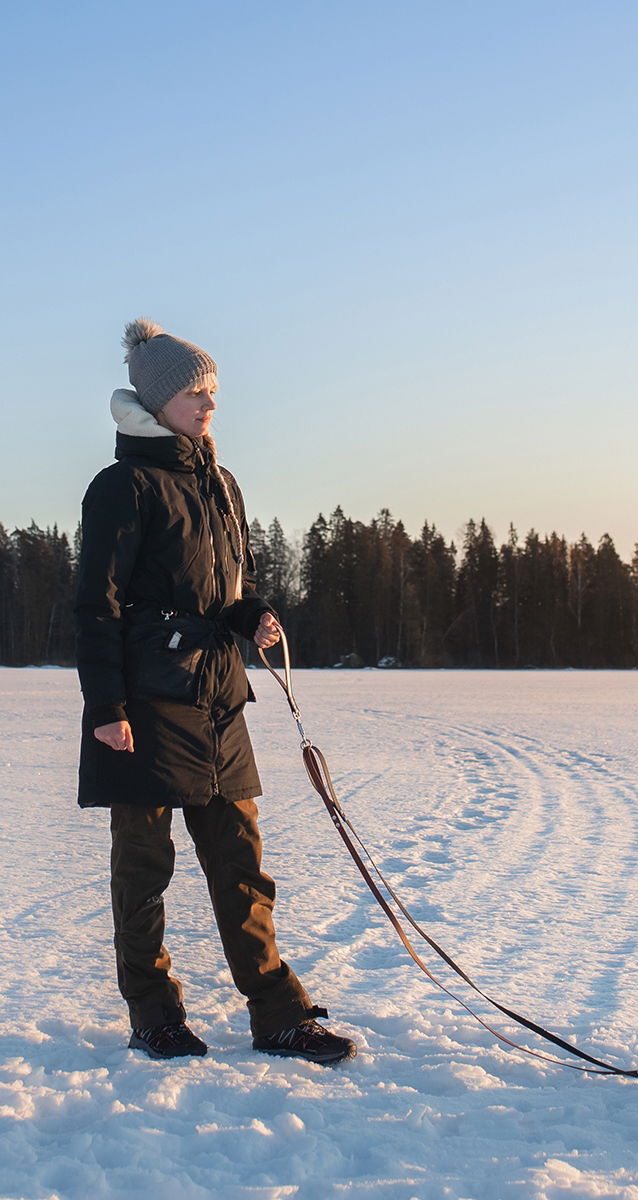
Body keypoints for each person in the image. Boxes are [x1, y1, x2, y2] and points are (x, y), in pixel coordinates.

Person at [74, 318, 356, 1065]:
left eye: (214, 392)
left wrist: (249, 613)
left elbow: (231, 584)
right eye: (197, 392)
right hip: (143, 701)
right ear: (158, 400)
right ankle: (153, 1013)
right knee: (144, 870)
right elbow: (94, 606)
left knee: (241, 864)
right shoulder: (122, 486)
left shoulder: (220, 482)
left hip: (218, 698)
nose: (209, 405)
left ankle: (279, 1014)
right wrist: (105, 708)